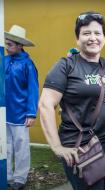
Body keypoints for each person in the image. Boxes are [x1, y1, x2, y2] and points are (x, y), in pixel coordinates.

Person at [39, 11, 105, 190]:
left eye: (97, 33)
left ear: (104, 37)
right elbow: (45, 105)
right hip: (83, 147)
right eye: (86, 33)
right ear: (77, 38)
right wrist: (57, 147)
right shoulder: (66, 66)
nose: (93, 38)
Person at [4, 25, 39, 190]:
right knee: (6, 146)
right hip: (4, 113)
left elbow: (33, 89)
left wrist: (31, 113)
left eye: (10, 44)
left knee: (21, 147)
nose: (7, 47)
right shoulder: (3, 61)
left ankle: (20, 178)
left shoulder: (28, 65)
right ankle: (7, 176)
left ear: (20, 45)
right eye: (6, 43)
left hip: (20, 114)